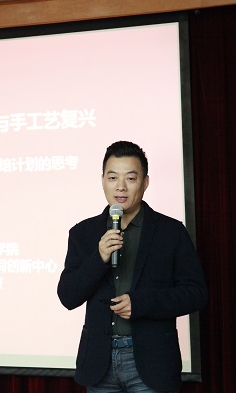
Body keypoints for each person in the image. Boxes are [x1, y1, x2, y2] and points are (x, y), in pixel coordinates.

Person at [57, 141, 208, 393]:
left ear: (145, 182)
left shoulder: (171, 232)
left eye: (130, 178)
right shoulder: (83, 233)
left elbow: (196, 294)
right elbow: (68, 296)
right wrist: (99, 257)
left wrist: (141, 304)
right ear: (102, 181)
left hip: (152, 362)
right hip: (99, 363)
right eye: (112, 177)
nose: (121, 186)